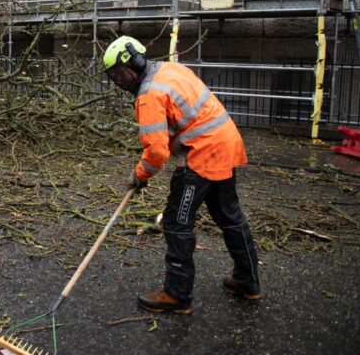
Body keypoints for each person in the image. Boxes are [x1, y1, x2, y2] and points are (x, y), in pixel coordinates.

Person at [102, 35, 260, 314]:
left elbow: (156, 152)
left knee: (176, 222)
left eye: (120, 73)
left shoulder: (149, 95)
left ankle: (177, 295)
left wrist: (139, 177)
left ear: (136, 63)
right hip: (225, 144)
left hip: (202, 156)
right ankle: (248, 282)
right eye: (113, 76)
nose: (119, 81)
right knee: (229, 217)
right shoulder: (170, 69)